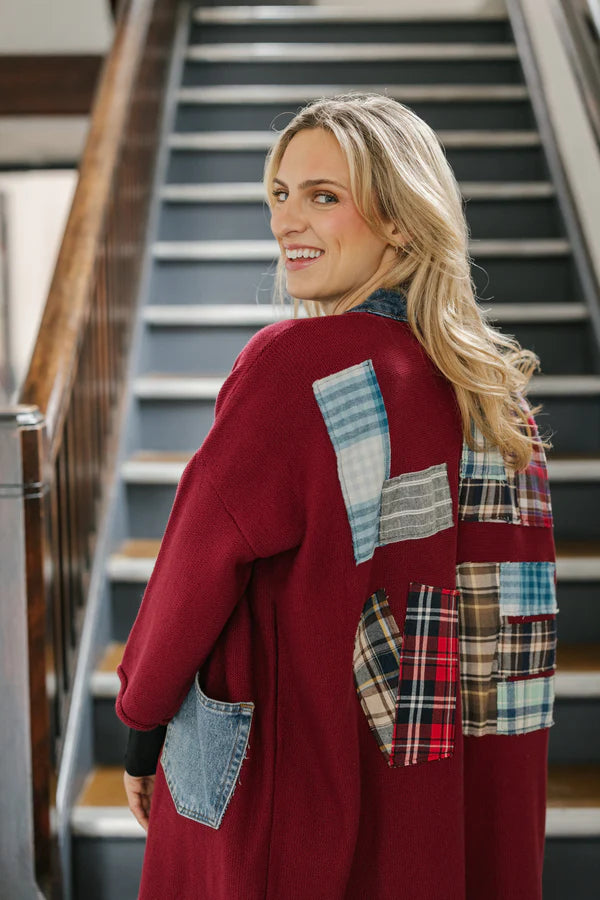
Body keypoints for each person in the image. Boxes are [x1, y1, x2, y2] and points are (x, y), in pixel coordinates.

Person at [115, 92, 557, 900]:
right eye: (280, 194)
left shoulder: (302, 368)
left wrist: (142, 723)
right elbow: (509, 662)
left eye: (324, 196)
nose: (287, 220)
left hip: (300, 804)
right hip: (453, 820)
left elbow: (193, 569)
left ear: (400, 220)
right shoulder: (498, 404)